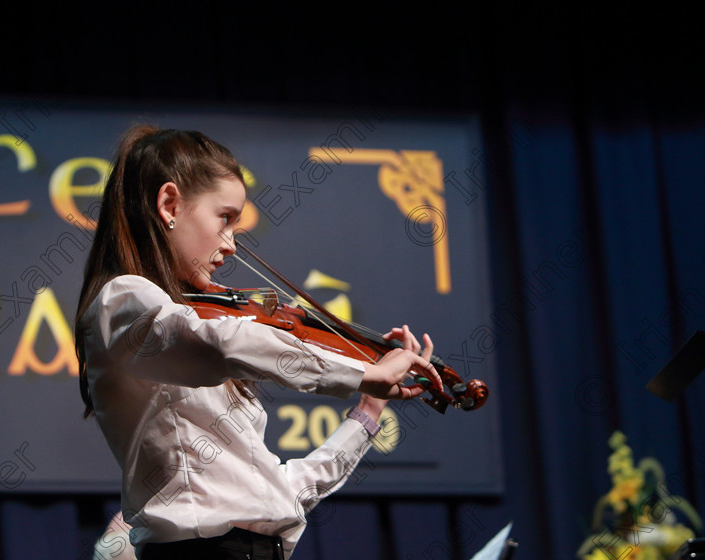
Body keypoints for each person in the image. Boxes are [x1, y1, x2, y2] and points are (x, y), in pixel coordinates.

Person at [74, 125, 442, 560]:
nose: (230, 244)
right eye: (224, 218)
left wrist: (366, 414)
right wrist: (362, 371)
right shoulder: (125, 300)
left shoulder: (184, 328)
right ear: (169, 203)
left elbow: (278, 496)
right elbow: (221, 342)